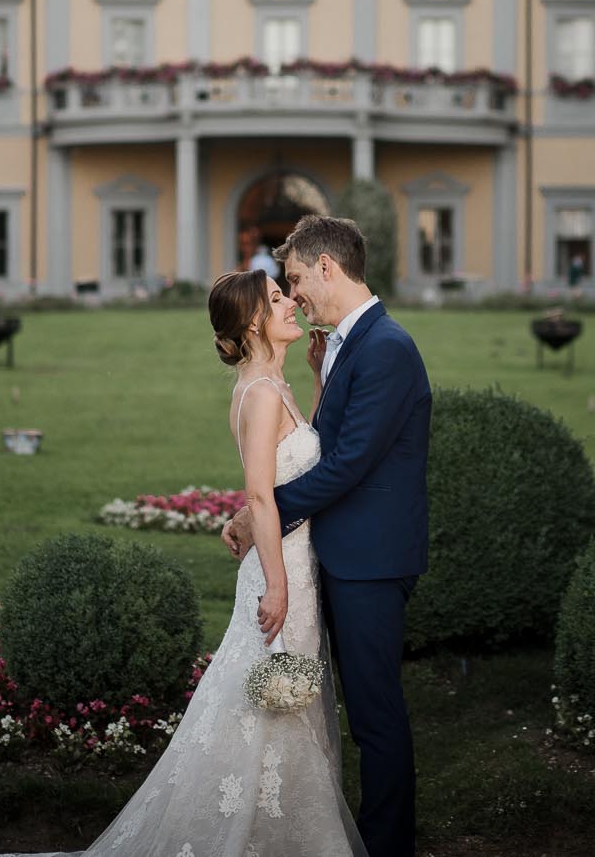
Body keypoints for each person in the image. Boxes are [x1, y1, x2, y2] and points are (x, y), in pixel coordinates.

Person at [0, 270, 365, 857]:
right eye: (276, 299)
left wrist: (319, 382)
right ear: (251, 323)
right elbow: (262, 497)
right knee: (273, 704)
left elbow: (299, 461)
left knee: (283, 705)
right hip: (283, 572)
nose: (291, 302)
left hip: (293, 566)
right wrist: (275, 583)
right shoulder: (264, 393)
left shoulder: (271, 384)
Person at [224, 214, 431, 857]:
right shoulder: (343, 342)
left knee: (374, 714)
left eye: (294, 280)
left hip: (371, 559)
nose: (295, 295)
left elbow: (348, 465)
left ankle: (387, 845)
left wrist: (260, 515)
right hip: (340, 555)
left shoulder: (386, 347)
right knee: (346, 711)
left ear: (326, 268)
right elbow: (323, 447)